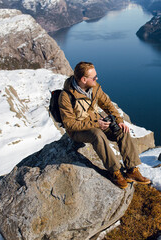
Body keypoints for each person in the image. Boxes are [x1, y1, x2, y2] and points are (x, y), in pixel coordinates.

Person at [58, 61, 150, 189]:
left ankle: (131, 170)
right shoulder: (66, 97)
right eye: (94, 77)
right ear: (84, 79)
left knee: (122, 130)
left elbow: (107, 104)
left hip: (96, 123)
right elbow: (70, 124)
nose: (97, 78)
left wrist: (119, 121)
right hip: (78, 131)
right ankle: (115, 172)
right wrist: (96, 123)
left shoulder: (94, 88)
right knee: (97, 135)